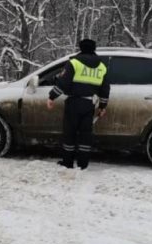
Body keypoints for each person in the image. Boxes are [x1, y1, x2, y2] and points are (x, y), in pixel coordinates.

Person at [47, 39, 110, 170]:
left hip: (74, 103)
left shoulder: (74, 63)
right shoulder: (102, 66)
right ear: (94, 48)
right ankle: (83, 164)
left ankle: (68, 162)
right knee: (85, 134)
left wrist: (52, 96)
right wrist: (103, 106)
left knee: (70, 133)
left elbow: (63, 82)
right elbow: (105, 88)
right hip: (89, 104)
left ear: (81, 48)